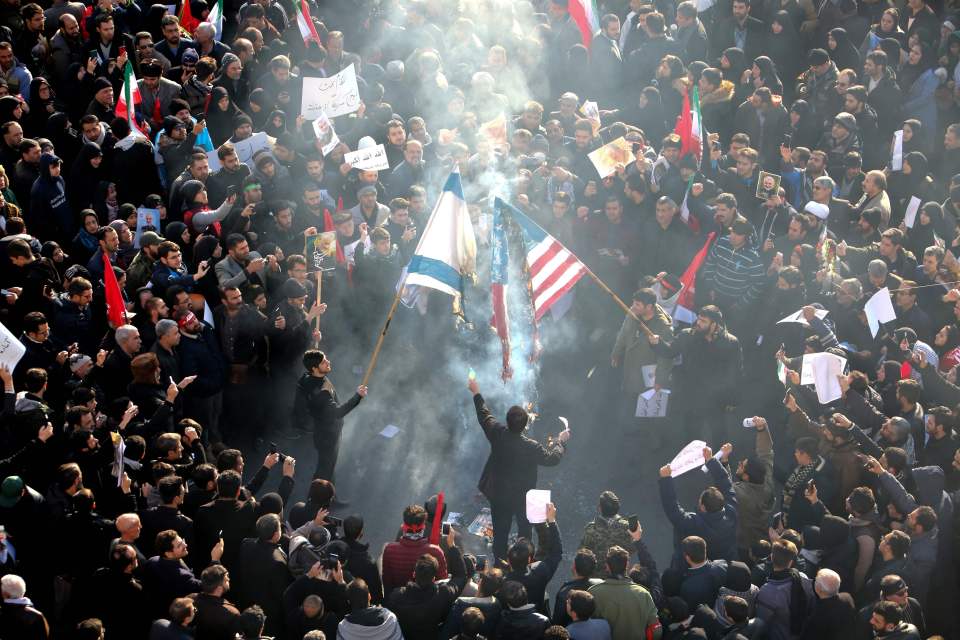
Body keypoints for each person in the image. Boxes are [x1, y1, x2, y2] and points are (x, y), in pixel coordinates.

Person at [468, 374, 569, 561]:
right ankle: (525, 560)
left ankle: (499, 561)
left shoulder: (498, 433)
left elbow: (484, 415)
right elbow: (552, 459)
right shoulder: (532, 447)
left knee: (500, 531)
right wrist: (560, 442)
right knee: (525, 530)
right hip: (523, 496)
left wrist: (476, 392)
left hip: (499, 494)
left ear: (507, 421)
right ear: (525, 425)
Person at [292, 349, 367, 483]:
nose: (328, 362)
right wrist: (357, 397)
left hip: (321, 430)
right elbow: (338, 413)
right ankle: (318, 496)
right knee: (325, 468)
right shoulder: (322, 394)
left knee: (328, 466)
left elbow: (309, 361)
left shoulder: (307, 377)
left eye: (326, 359)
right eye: (323, 362)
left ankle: (329, 494)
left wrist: (315, 344)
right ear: (315, 368)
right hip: (328, 435)